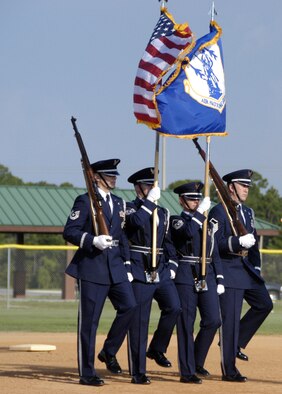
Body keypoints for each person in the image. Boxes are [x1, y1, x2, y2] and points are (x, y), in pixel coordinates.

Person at [63, 158, 137, 386]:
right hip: (93, 269)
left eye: (115, 174)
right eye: (109, 175)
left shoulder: (117, 202)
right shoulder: (85, 201)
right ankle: (87, 372)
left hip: (115, 267)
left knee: (130, 306)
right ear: (96, 177)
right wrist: (92, 240)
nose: (114, 178)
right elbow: (70, 231)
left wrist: (126, 263)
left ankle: (108, 350)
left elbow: (122, 236)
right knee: (89, 322)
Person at [208, 169, 273, 382]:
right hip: (227, 268)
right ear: (231, 187)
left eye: (247, 186)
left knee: (264, 304)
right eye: (242, 185)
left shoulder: (248, 213)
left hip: (245, 268)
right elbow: (215, 245)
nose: (246, 189)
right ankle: (230, 370)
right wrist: (236, 243)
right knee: (230, 320)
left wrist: (255, 268)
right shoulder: (218, 212)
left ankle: (236, 342)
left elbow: (253, 245)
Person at [125, 167, 182, 384]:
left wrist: (174, 265)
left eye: (153, 185)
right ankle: (138, 371)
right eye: (147, 185)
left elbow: (168, 245)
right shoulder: (130, 208)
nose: (151, 189)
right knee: (140, 320)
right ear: (138, 188)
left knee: (174, 307)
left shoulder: (164, 213)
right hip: (140, 267)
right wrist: (148, 204)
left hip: (162, 270)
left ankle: (157, 348)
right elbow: (134, 224)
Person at [170, 182, 224, 384]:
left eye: (197, 198)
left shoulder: (208, 223)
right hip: (186, 274)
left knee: (213, 320)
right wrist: (200, 214)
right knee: (186, 324)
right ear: (181, 200)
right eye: (191, 198)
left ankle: (195, 360)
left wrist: (219, 277)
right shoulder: (177, 221)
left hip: (207, 274)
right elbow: (187, 233)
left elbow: (214, 251)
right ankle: (187, 371)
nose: (195, 201)